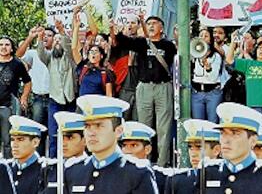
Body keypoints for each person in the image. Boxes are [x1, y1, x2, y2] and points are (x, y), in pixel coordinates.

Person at [64, 95, 158, 193]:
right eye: (87, 126)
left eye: (99, 126)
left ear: (118, 131)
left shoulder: (137, 173)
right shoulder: (73, 172)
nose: (91, 133)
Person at [115, 15, 177, 166]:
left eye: (154, 23)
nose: (151, 26)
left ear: (161, 28)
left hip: (163, 87)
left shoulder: (169, 46)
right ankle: (143, 162)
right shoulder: (142, 43)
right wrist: (116, 31)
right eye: (148, 24)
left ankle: (162, 164)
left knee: (164, 128)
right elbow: (124, 41)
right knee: (144, 126)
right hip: (144, 87)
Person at [197, 102, 262, 193]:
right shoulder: (206, 172)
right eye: (223, 133)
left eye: (235, 133)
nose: (226, 140)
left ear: (253, 140)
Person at [36, 23, 77, 158]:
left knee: (71, 134)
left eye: (60, 39)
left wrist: (61, 31)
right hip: (55, 101)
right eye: (56, 40)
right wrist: (40, 36)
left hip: (70, 100)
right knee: (53, 135)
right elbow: (41, 52)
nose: (58, 42)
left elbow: (68, 46)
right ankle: (53, 167)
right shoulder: (49, 59)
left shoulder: (70, 58)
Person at [16, 26, 53, 153]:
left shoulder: (57, 54)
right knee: (38, 133)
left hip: (54, 99)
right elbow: (18, 55)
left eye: (49, 35)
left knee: (54, 134)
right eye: (44, 34)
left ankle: (54, 164)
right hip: (38, 98)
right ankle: (40, 163)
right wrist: (30, 37)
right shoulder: (33, 53)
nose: (45, 37)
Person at [165, 119, 221, 194]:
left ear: (216, 150)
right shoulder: (176, 181)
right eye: (190, 147)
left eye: (199, 147)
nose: (193, 154)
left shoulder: (225, 180)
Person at [0, 36, 31, 158]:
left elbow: (27, 82)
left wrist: (24, 97)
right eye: (1, 44)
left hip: (8, 107)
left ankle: (8, 169)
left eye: (7, 45)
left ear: (12, 48)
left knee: (8, 140)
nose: (3, 47)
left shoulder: (17, 64)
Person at [42, 111, 87, 194]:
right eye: (62, 138)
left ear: (85, 140)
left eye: (70, 138)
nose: (63, 143)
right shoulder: (51, 169)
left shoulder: (90, 168)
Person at [8, 115, 47, 194]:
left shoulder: (44, 170)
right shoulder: (7, 168)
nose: (14, 145)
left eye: (20, 139)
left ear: (35, 142)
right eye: (12, 139)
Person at [191, 28, 223, 123]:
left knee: (212, 122)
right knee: (198, 122)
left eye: (206, 36)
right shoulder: (194, 54)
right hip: (197, 92)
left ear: (210, 39)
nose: (203, 38)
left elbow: (213, 77)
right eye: (201, 36)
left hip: (212, 93)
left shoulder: (216, 56)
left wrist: (208, 68)